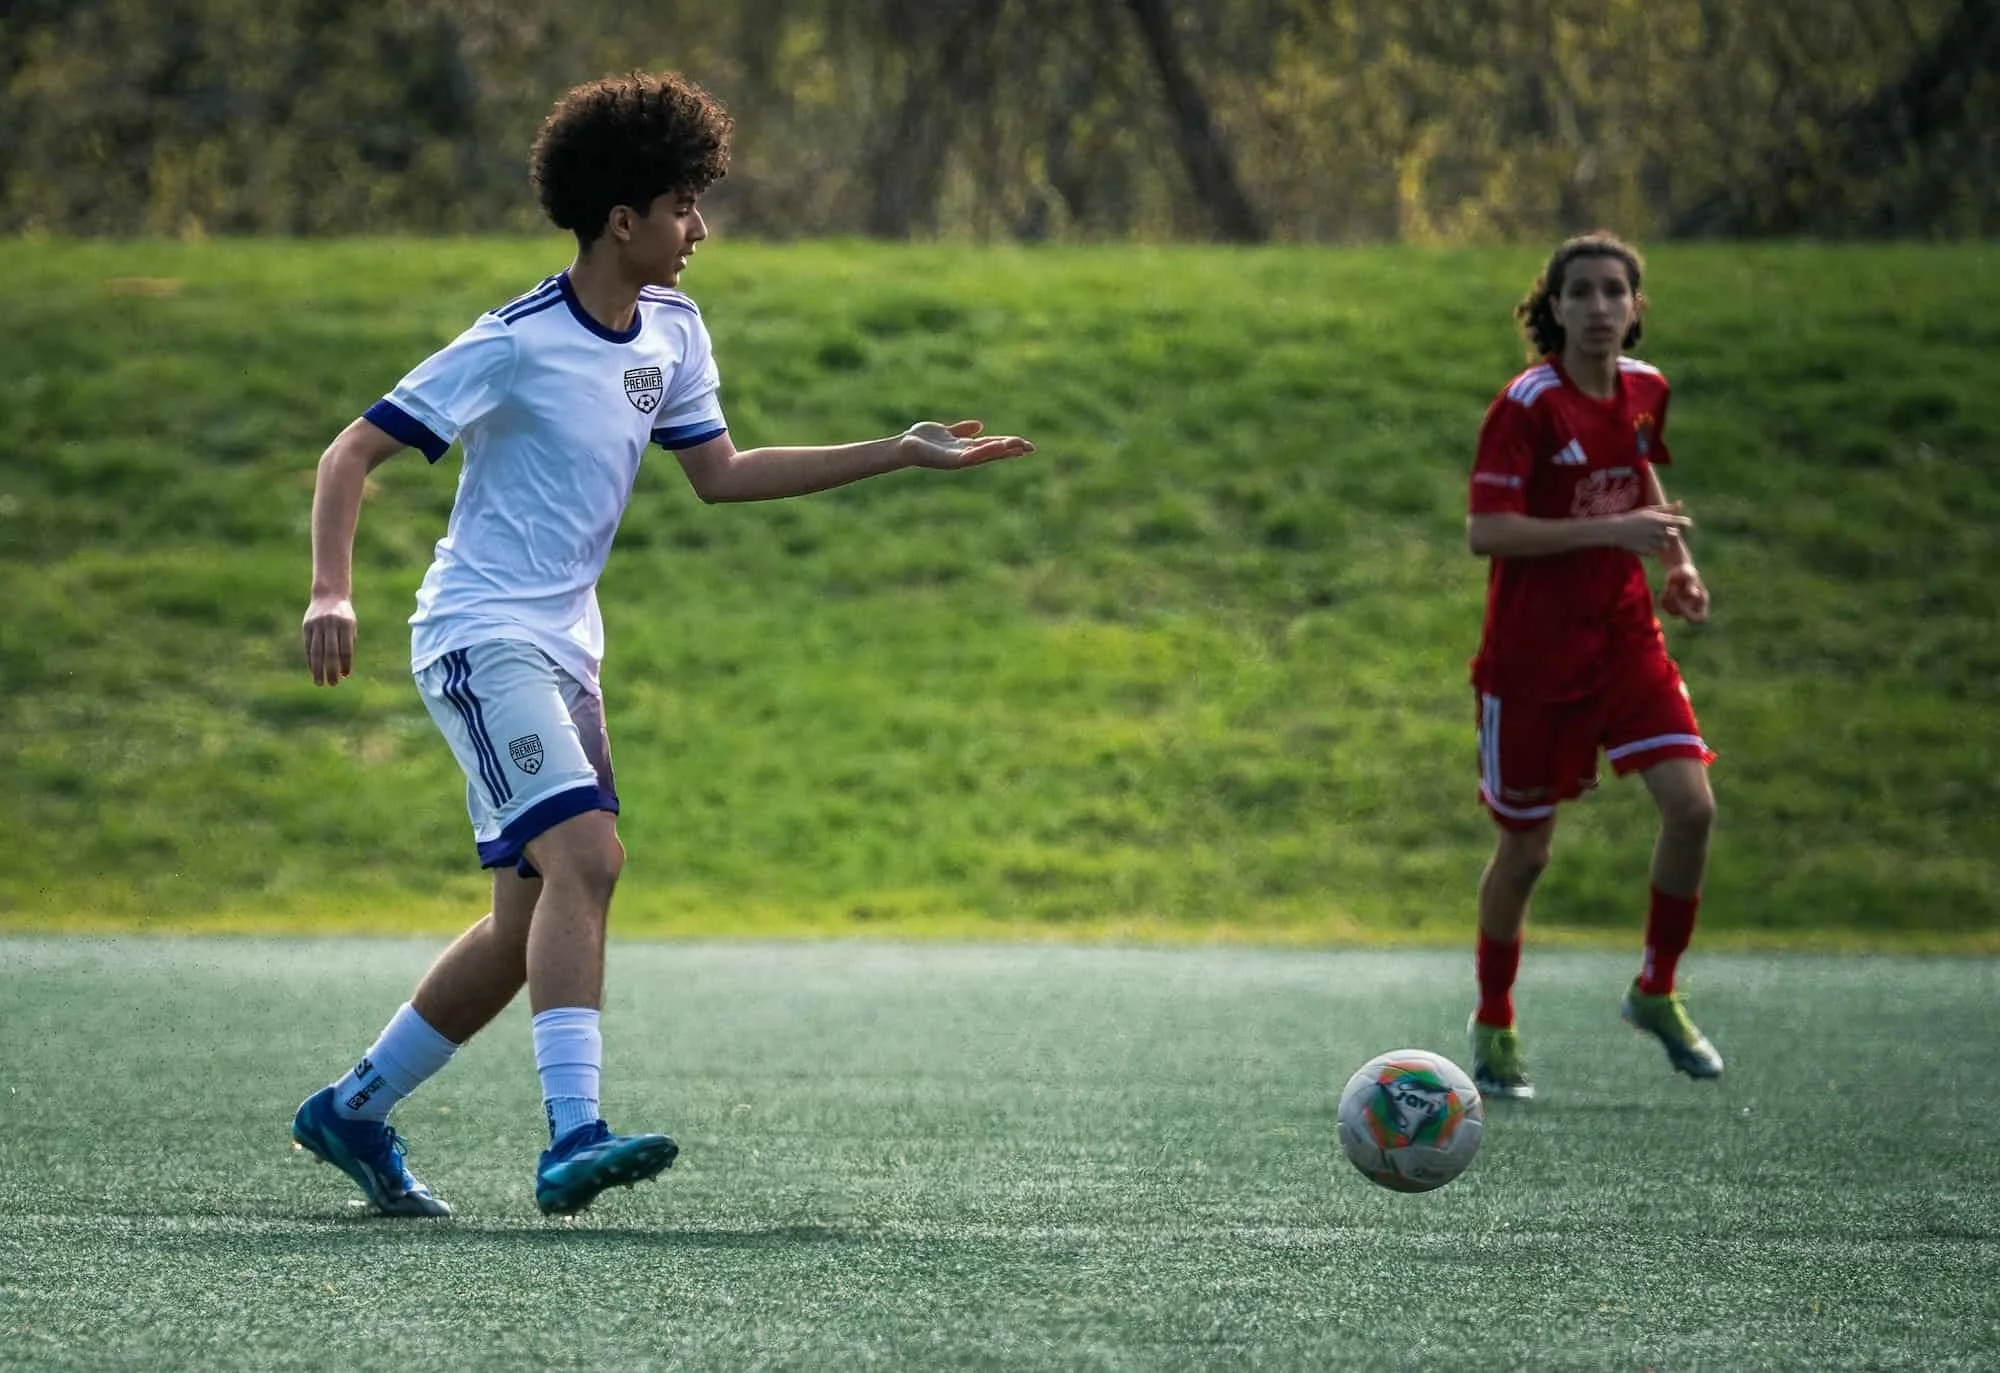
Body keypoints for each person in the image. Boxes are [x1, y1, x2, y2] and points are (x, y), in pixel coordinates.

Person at [291, 71, 1034, 1217]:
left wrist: (896, 450)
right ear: (621, 218)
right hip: (479, 637)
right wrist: (330, 593)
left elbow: (722, 475)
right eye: (684, 206)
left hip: (565, 651)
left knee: (525, 921)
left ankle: (352, 1108)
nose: (700, 228)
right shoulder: (513, 342)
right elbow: (350, 452)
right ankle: (572, 1135)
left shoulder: (674, 333)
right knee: (589, 858)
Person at [1462, 231, 1721, 1102]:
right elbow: (1486, 532)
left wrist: (1677, 562)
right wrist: (1613, 532)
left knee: (1692, 807)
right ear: (1555, 307)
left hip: (1623, 638)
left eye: (1616, 291)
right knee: (1526, 852)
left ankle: (1655, 988)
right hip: (1532, 660)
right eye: (1581, 292)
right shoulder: (1526, 406)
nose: (1600, 307)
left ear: (1637, 306)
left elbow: (1637, 473)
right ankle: (1494, 1019)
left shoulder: (1646, 389)